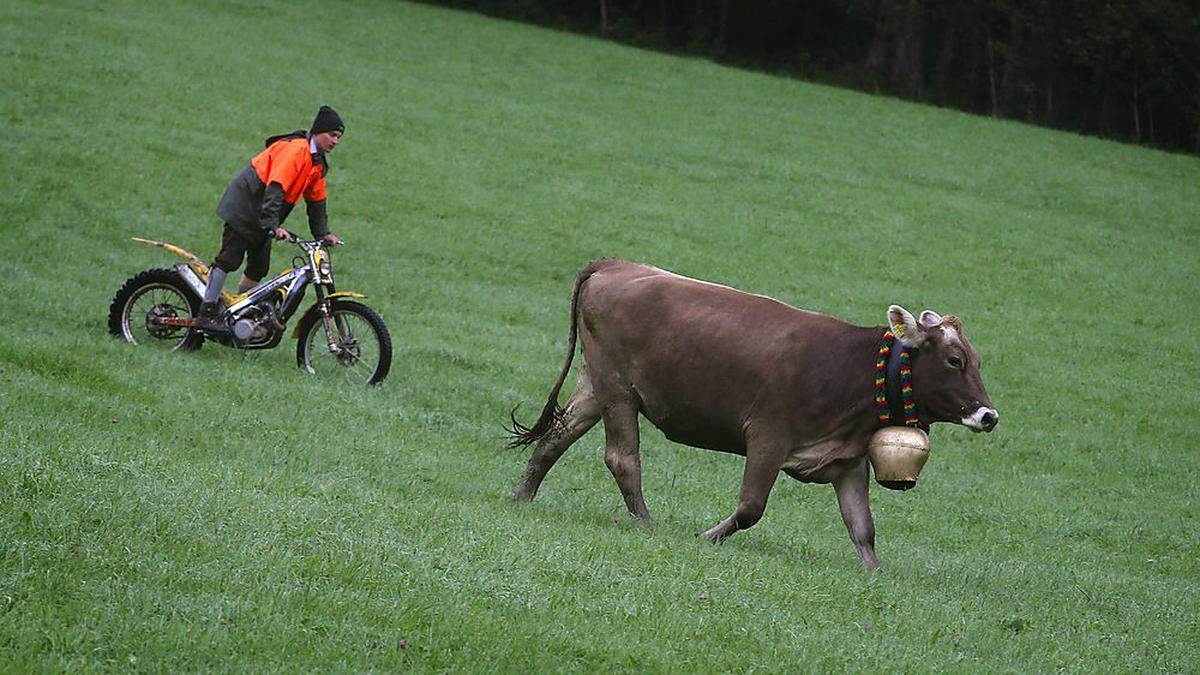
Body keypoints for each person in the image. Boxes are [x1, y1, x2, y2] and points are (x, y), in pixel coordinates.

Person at [195, 105, 345, 334]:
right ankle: (206, 312)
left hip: (263, 212)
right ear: (318, 132)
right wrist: (272, 226)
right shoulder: (296, 150)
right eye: (332, 135)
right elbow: (276, 187)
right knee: (229, 259)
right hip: (245, 205)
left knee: (258, 267)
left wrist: (323, 234)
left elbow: (316, 202)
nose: (335, 141)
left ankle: (237, 311)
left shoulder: (318, 164)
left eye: (339, 137)